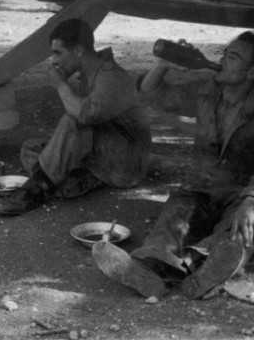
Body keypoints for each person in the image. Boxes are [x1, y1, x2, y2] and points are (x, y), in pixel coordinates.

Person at [93, 32, 254, 300]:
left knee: (241, 230)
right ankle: (150, 268)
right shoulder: (207, 90)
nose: (222, 61)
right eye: (225, 54)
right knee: (174, 217)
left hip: (241, 192)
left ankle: (199, 267)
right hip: (203, 186)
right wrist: (163, 65)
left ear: (251, 72)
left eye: (233, 57)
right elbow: (150, 94)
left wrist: (251, 200)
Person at [0, 18, 151, 216]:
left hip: (124, 166)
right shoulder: (89, 72)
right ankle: (57, 178)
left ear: (78, 50)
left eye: (58, 53)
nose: (53, 61)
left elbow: (83, 117)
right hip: (102, 150)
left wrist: (61, 85)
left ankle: (35, 191)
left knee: (71, 122)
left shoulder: (111, 78)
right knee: (30, 148)